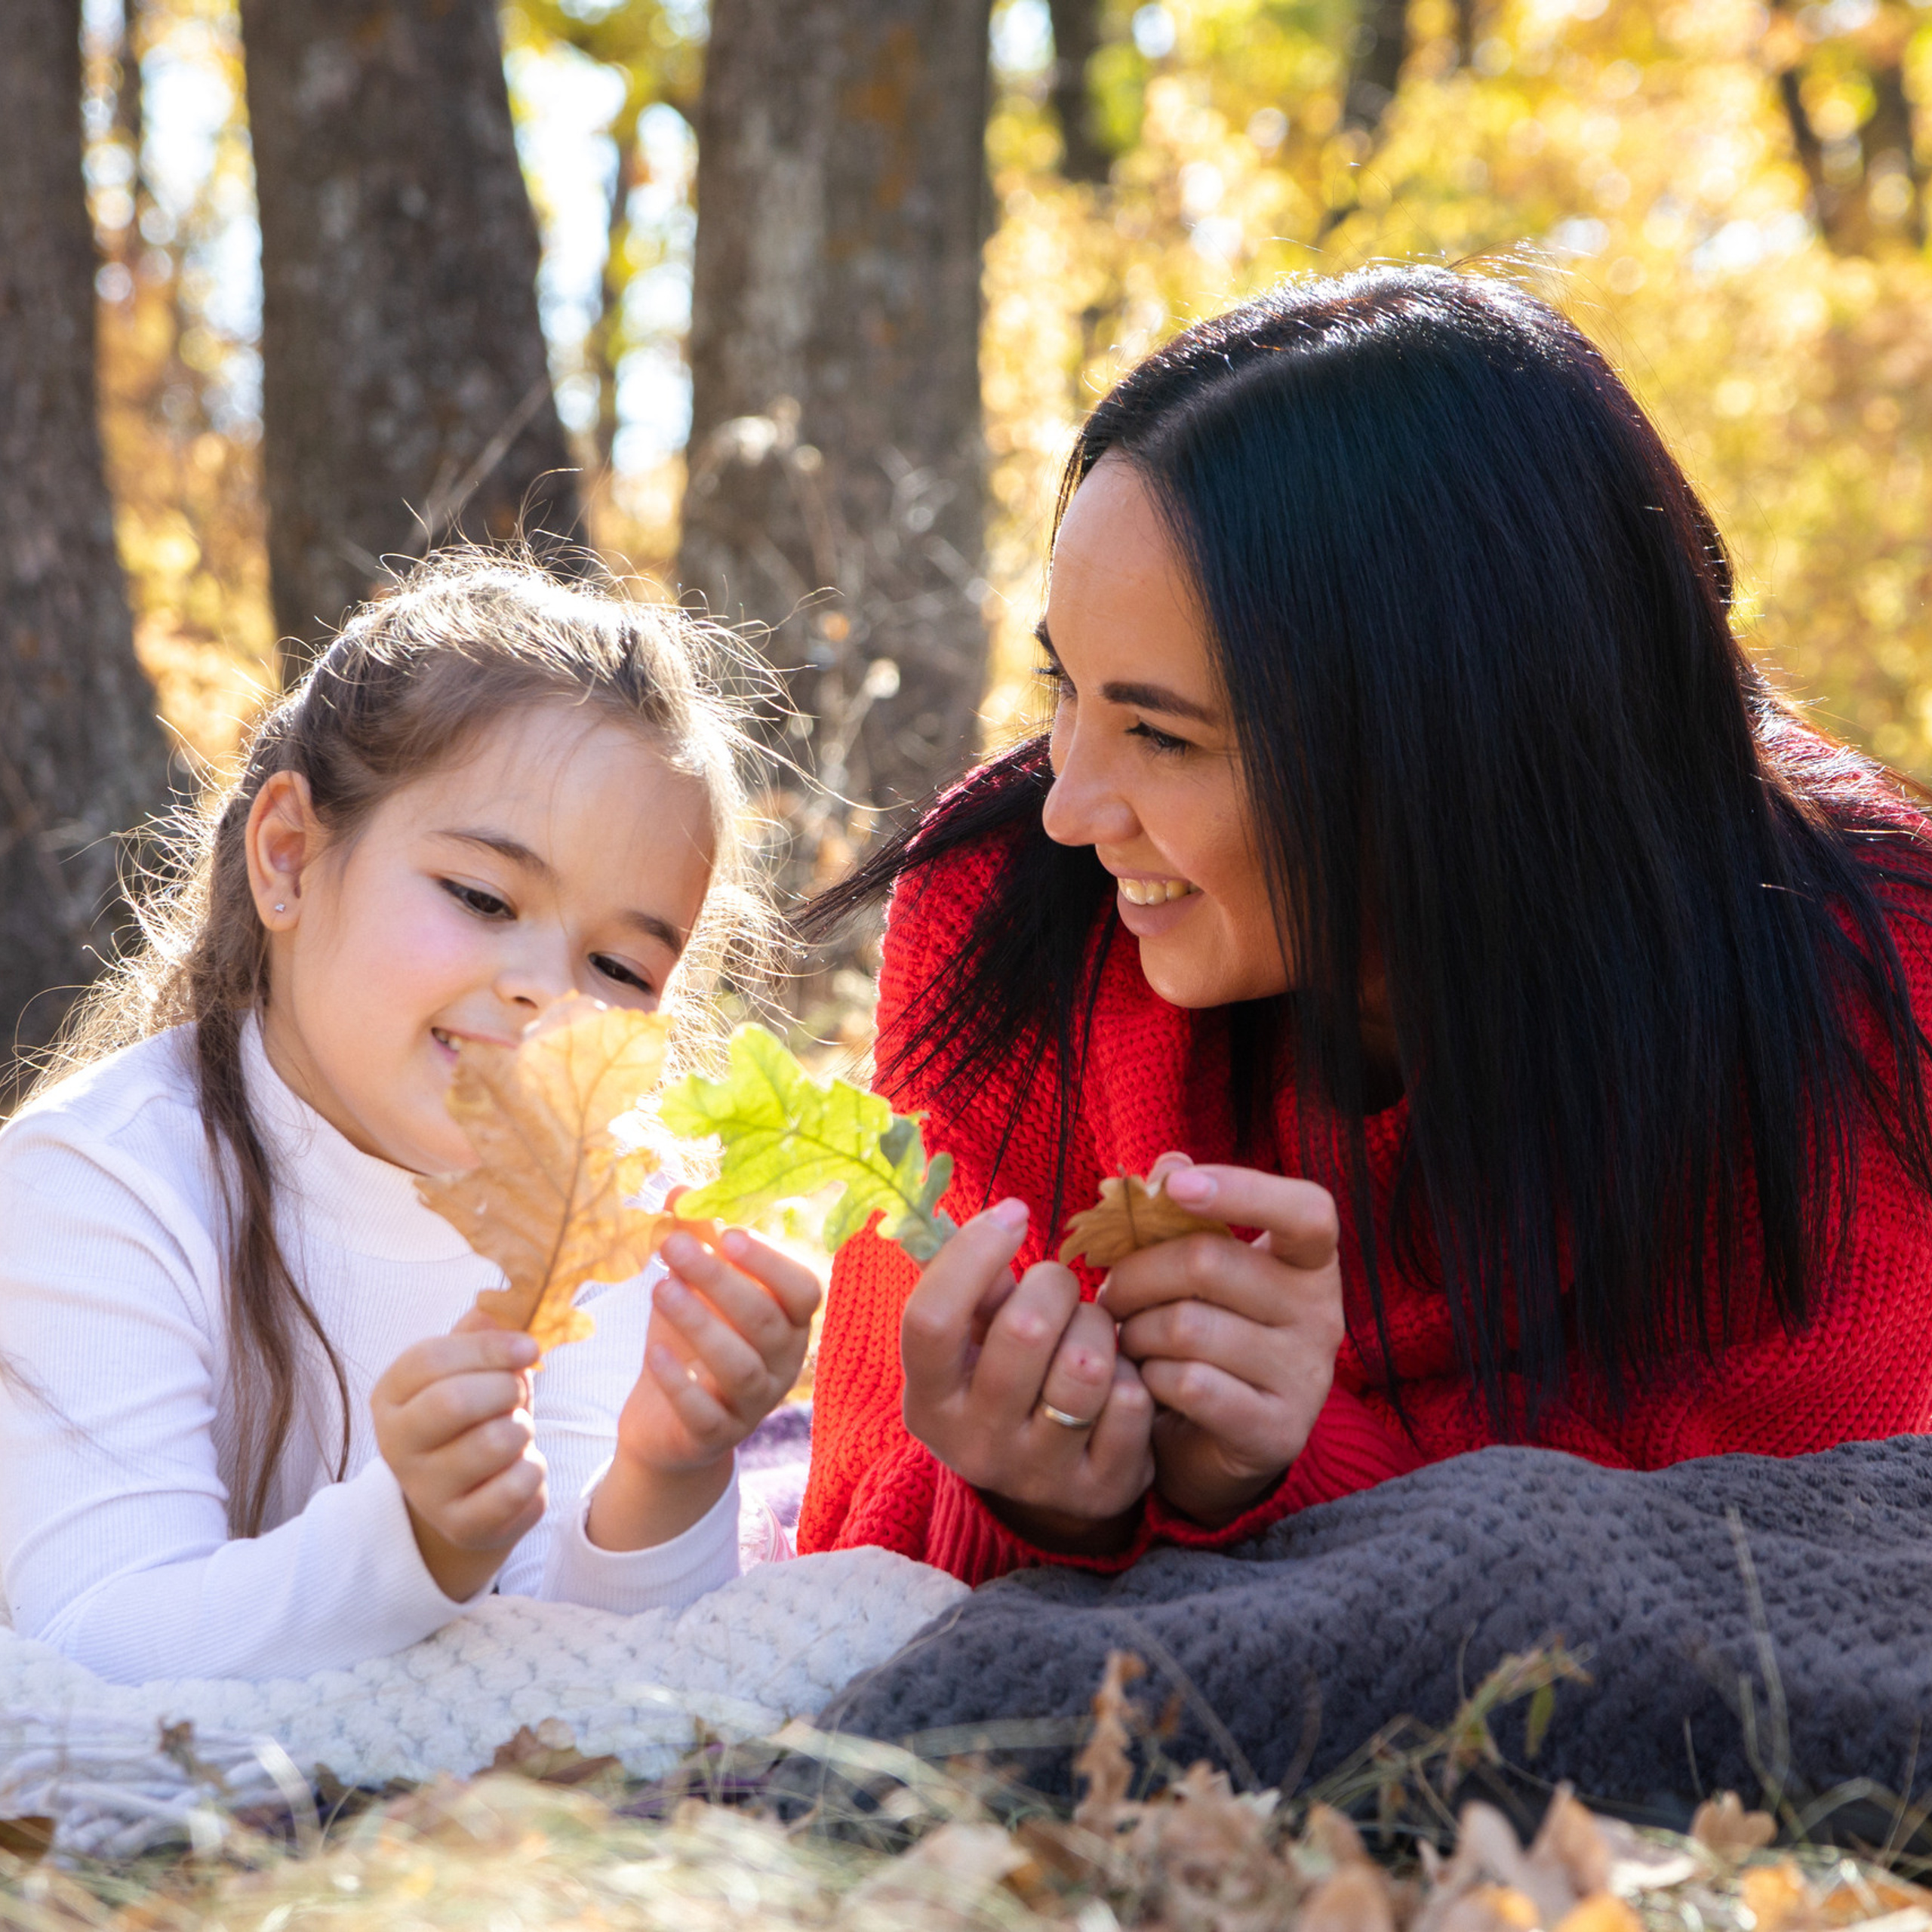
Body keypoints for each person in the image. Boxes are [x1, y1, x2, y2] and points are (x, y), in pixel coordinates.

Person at [797, 265, 1932, 1585]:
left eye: (1162, 733)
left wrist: (1282, 1467)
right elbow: (848, 1559)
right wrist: (1053, 1507)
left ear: (1446, 745)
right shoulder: (1009, 915)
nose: (1070, 806)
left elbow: (1776, 1601)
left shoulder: (1856, 970)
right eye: (1067, 688)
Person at [0, 553, 818, 1683]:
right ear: (289, 856)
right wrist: (413, 1545)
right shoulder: (96, 1186)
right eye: (483, 899)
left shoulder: (616, 1210)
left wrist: (669, 1470)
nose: (547, 988)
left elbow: (618, 1680)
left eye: (621, 966)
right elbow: (88, 1644)